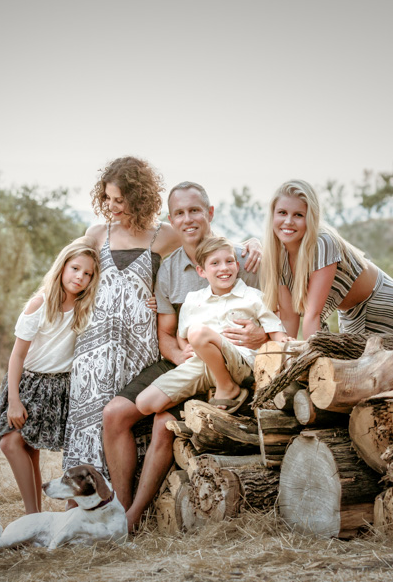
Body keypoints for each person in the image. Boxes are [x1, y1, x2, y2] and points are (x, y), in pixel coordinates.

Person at [102, 181, 266, 531]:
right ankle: (118, 509)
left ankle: (133, 519)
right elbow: (165, 333)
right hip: (182, 360)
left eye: (195, 210)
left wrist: (261, 335)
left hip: (230, 363)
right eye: (179, 213)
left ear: (210, 213)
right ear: (171, 219)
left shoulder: (243, 258)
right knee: (114, 414)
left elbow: (276, 315)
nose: (188, 219)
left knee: (163, 422)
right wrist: (179, 357)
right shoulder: (169, 268)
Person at [62, 156, 181, 475]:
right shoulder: (97, 233)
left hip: (139, 350)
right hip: (93, 351)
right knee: (89, 425)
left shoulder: (164, 235)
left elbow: (210, 247)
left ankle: (124, 499)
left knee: (127, 423)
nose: (111, 206)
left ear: (139, 198)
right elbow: (70, 272)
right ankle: (83, 499)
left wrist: (251, 244)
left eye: (120, 200)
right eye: (108, 198)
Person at [0, 239, 100, 514]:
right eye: (75, 268)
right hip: (28, 384)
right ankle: (33, 516)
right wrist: (14, 400)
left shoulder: (85, 306)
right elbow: (17, 356)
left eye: (87, 274)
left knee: (29, 449)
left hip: (58, 386)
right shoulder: (40, 303)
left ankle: (34, 516)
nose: (80, 277)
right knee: (11, 443)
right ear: (62, 267)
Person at [134, 236, 287, 418]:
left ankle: (227, 387)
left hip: (240, 362)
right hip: (201, 364)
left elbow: (275, 331)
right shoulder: (193, 300)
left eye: (229, 261)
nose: (224, 268)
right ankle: (214, 390)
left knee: (198, 332)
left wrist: (286, 346)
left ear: (237, 266)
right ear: (201, 271)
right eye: (215, 263)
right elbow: (182, 335)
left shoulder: (253, 297)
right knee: (144, 403)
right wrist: (185, 349)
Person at [261, 179, 393, 340]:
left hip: (383, 304)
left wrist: (306, 355)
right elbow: (288, 318)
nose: (288, 221)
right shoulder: (277, 256)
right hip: (350, 314)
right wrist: (286, 352)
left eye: (298, 215)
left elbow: (313, 314)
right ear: (273, 214)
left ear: (310, 218)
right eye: (282, 213)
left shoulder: (323, 243)